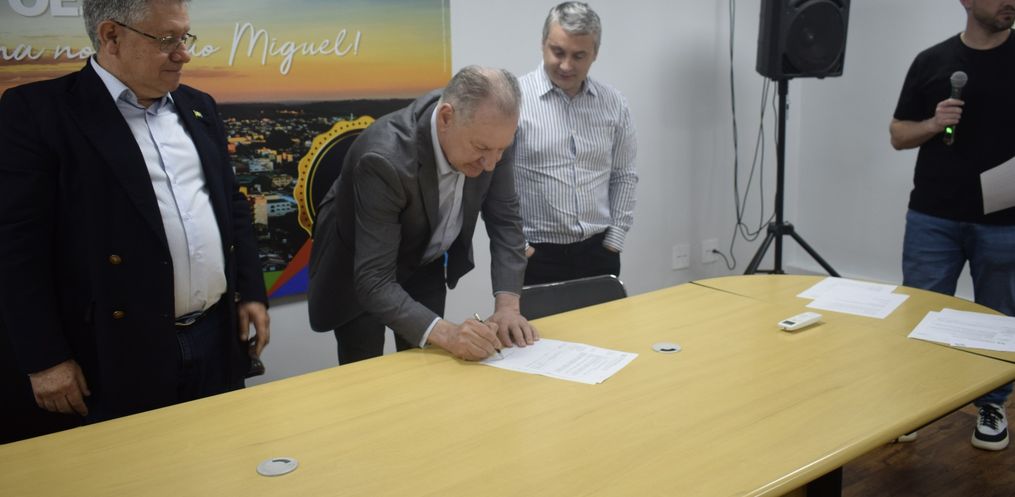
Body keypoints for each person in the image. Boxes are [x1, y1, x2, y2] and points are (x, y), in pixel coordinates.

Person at [0, 0, 270, 432]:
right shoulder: (38, 113)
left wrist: (251, 291)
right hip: (114, 352)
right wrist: (44, 359)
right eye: (167, 39)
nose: (184, 53)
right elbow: (15, 249)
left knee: (219, 454)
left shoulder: (199, 106)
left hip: (215, 336)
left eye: (184, 37)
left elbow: (230, 205)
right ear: (111, 37)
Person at [308, 66, 539, 364]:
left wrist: (508, 307)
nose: (491, 164)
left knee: (429, 363)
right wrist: (451, 335)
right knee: (366, 371)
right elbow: (374, 280)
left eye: (500, 151)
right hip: (360, 265)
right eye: (481, 148)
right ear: (446, 119)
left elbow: (505, 221)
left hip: (425, 256)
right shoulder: (383, 158)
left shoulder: (492, 137)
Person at [889, 0, 1014, 451]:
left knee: (999, 318)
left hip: (1005, 221)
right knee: (921, 311)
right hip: (933, 216)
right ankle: (914, 401)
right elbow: (898, 134)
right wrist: (933, 123)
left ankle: (992, 405)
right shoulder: (932, 61)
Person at [508, 2, 638, 286]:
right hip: (535, 255)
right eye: (558, 52)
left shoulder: (614, 103)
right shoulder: (513, 100)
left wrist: (614, 239)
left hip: (598, 251)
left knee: (604, 319)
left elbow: (624, 175)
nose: (566, 65)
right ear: (543, 44)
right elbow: (493, 183)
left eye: (579, 56)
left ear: (595, 54)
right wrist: (521, 245)